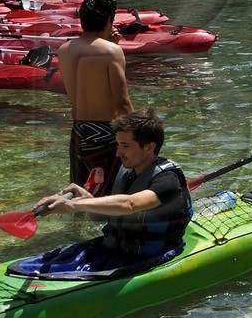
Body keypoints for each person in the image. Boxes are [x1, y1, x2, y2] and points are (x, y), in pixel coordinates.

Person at [34, 107, 192, 261]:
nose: (117, 153)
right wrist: (85, 196)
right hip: (116, 250)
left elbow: (130, 204)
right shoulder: (128, 172)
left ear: (149, 147)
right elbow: (99, 218)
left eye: (125, 146)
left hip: (152, 255)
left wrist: (75, 205)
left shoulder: (168, 180)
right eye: (118, 145)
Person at [58, 0, 132, 195]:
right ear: (109, 21)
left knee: (81, 193)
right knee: (110, 196)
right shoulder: (110, 52)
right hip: (106, 133)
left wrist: (110, 44)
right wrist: (138, 135)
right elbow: (122, 102)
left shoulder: (64, 50)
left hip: (80, 132)